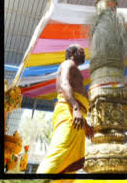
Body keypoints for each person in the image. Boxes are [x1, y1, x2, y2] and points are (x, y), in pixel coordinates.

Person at [37, 44, 94, 174]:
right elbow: (64, 84)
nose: (84, 54)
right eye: (81, 51)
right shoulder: (68, 63)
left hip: (75, 116)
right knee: (57, 154)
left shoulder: (74, 68)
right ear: (72, 53)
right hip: (69, 112)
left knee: (67, 163)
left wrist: (85, 125)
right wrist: (75, 108)